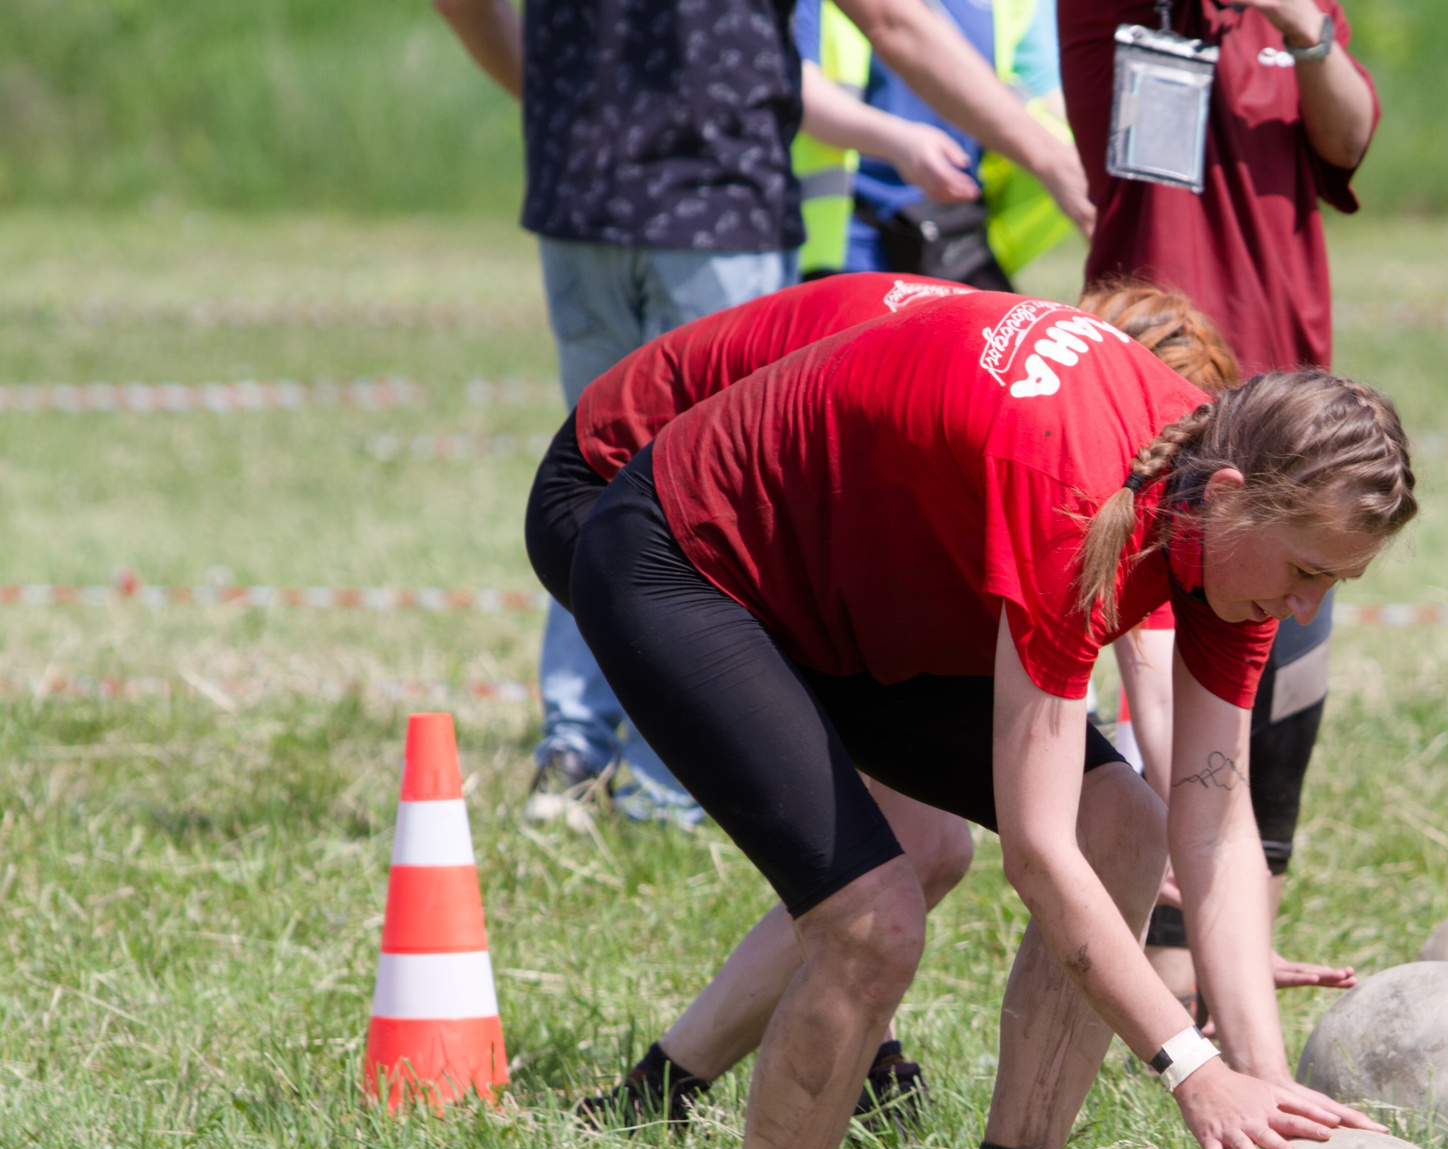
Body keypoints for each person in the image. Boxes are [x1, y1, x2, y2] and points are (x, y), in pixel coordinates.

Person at [562, 289, 1416, 1149]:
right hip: (691, 564)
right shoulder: (1078, 498)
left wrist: (1267, 1087)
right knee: (873, 920)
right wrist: (1193, 1071)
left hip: (855, 602)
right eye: (1305, 573)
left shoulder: (1222, 533)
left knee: (1127, 827)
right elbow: (1038, 854)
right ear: (1233, 497)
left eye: (1335, 583)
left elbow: (1213, 824)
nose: (1306, 610)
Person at [540, 277, 1244, 1130]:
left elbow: (1161, 699)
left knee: (926, 847)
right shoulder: (1041, 426)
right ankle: (718, 1082)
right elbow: (1145, 679)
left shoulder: (1049, 400)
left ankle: (661, 1093)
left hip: (775, 519)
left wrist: (1226, 933)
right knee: (907, 856)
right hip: (621, 493)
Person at [431, 0, 1095, 827]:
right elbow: (893, 20)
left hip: (582, 199)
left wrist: (563, 105)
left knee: (598, 472)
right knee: (702, 502)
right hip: (714, 208)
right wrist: (1052, 160)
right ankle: (672, 778)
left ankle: (577, 747)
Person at [1060, 0, 1379, 1005]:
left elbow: (1349, 139)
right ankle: (1163, 990)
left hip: (1289, 400)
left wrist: (1303, 26)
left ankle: (1228, 981)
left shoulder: (1292, 16)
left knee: (1278, 703)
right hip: (1165, 383)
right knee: (1159, 697)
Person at [792, 0, 1076, 288]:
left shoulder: (1015, 6)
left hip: (957, 222)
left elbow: (1046, 91)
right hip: (853, 234)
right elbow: (796, 84)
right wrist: (897, 141)